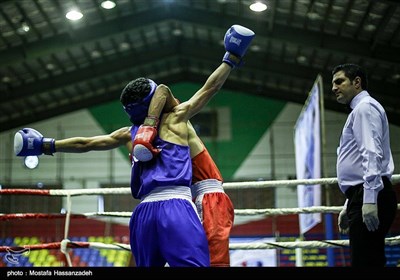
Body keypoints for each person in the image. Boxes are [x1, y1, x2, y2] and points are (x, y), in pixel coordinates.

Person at [14, 24, 255, 267]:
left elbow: (85, 143)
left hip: (142, 213)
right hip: (177, 205)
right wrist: (230, 59)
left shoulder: (126, 134)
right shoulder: (176, 118)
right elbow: (206, 88)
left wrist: (45, 145)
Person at [133, 86, 235, 267]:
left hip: (205, 198)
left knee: (213, 261)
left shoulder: (177, 117)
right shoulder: (172, 123)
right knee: (208, 260)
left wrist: (149, 124)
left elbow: (163, 90)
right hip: (191, 198)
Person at [332, 63, 398, 267]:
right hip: (362, 195)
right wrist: (349, 203)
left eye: (339, 81)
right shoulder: (360, 110)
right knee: (369, 260)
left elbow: (371, 154)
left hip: (369, 194)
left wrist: (368, 199)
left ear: (357, 82)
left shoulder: (365, 108)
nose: (334, 88)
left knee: (366, 262)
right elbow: (359, 163)